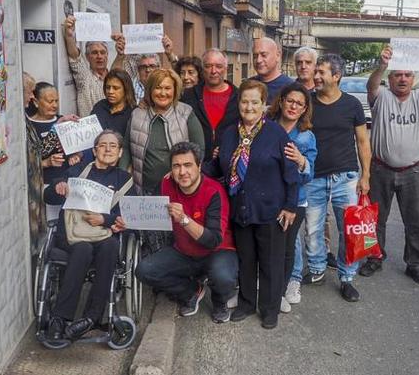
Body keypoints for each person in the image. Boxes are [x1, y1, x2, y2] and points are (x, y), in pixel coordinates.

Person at [204, 79, 299, 329]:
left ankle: (270, 309)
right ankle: (246, 303)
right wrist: (190, 169)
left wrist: (290, 205)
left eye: (254, 102)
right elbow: (217, 168)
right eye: (244, 101)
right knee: (246, 260)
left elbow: (291, 172)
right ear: (238, 103)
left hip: (271, 211)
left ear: (264, 105)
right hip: (240, 209)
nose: (248, 107)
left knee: (270, 262)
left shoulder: (276, 133)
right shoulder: (229, 134)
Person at [359, 45, 419, 285]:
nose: (403, 79)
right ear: (390, 78)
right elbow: (371, 86)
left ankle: (416, 264)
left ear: (414, 78)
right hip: (381, 169)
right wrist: (382, 65)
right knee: (375, 219)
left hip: (413, 171)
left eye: (407, 75)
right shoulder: (382, 96)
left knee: (416, 222)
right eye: (398, 75)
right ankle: (374, 258)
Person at [44, 130, 135, 340]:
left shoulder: (125, 179)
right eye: (103, 145)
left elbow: (130, 216)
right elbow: (48, 196)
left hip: (103, 236)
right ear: (94, 150)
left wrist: (106, 220)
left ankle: (90, 319)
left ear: (120, 152)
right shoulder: (77, 171)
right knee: (83, 249)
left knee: (111, 246)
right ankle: (60, 318)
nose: (108, 149)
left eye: (113, 146)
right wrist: (59, 186)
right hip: (73, 236)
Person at [136, 142, 238, 323]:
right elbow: (146, 212)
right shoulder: (166, 183)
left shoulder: (214, 191)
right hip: (183, 251)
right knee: (144, 270)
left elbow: (213, 240)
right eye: (176, 166)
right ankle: (191, 292)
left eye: (188, 165)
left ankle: (219, 301)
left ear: (199, 166)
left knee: (223, 276)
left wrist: (184, 219)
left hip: (217, 251)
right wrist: (125, 221)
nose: (182, 172)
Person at [302, 54, 371, 302]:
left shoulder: (352, 105)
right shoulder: (307, 103)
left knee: (350, 231)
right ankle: (318, 269)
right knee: (312, 230)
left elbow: (363, 142)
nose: (316, 76)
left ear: (336, 76)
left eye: (321, 72)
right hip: (313, 179)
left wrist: (366, 176)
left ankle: (347, 277)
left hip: (346, 178)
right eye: (316, 71)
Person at [120, 68, 205, 253]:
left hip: (179, 191)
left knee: (180, 241)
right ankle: (155, 280)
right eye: (158, 88)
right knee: (153, 244)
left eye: (168, 88)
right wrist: (120, 178)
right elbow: (126, 148)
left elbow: (199, 149)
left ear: (175, 90)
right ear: (150, 90)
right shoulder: (137, 114)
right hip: (147, 191)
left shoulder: (185, 113)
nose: (163, 93)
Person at [268, 83, 317, 310]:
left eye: (299, 103)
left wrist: (301, 161)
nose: (293, 106)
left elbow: (309, 175)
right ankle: (266, 286)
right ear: (281, 100)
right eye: (290, 100)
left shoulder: (306, 137)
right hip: (266, 198)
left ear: (304, 108)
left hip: (294, 201)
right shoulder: (265, 126)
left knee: (287, 249)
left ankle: (280, 292)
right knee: (267, 246)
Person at [293, 46, 337, 269]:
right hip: (297, 164)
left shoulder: (323, 91)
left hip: (320, 165)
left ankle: (324, 251)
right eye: (299, 62)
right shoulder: (290, 91)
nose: (303, 66)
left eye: (307, 63)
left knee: (321, 215)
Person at [181, 49, 239, 161]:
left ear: (226, 69)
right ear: (202, 69)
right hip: (197, 164)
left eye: (218, 66)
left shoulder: (239, 98)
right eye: (208, 66)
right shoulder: (188, 96)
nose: (213, 71)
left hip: (228, 165)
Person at [27, 82, 82, 185]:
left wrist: (76, 156)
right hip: (43, 184)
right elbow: (37, 156)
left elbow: (79, 149)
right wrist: (46, 163)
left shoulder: (64, 120)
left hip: (68, 181)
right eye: (50, 101)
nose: (55, 105)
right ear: (35, 102)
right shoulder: (29, 127)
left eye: (56, 101)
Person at [63, 16, 118, 116]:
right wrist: (69, 35)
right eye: (94, 53)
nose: (99, 56)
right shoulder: (84, 78)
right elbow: (75, 57)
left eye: (102, 52)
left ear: (107, 55)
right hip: (92, 130)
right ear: (87, 57)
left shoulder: (115, 78)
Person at [112, 34, 178, 103]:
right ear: (138, 69)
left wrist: (170, 54)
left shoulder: (166, 85)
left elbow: (179, 77)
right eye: (143, 67)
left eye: (152, 66)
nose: (148, 70)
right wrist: (120, 56)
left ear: (159, 67)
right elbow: (114, 78)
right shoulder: (129, 85)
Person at [23, 72, 46, 251]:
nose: (32, 97)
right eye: (30, 92)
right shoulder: (21, 122)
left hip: (36, 193)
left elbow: (39, 150)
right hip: (28, 193)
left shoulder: (24, 120)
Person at [91, 69, 137, 137]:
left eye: (116, 88)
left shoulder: (133, 113)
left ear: (126, 89)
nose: (110, 91)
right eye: (108, 87)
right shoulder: (99, 106)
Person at [251, 37, 294, 105]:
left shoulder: (291, 87)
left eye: (264, 55)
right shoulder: (248, 85)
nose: (258, 60)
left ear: (278, 56)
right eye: (255, 56)